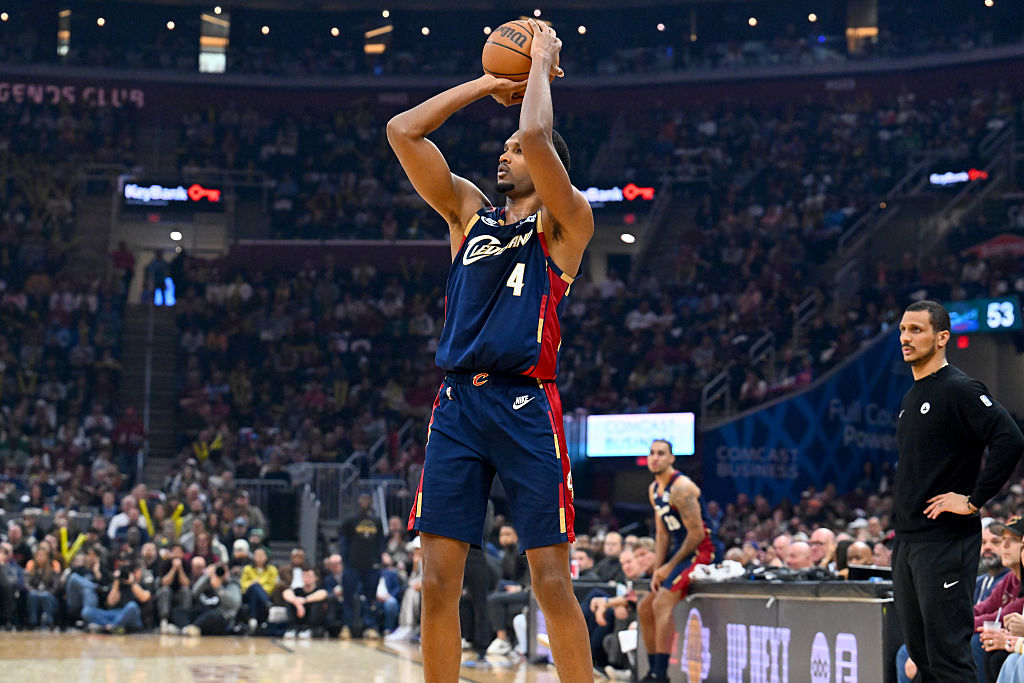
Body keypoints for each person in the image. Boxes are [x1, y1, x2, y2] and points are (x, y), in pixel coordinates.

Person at [387, 18, 593, 683]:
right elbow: (403, 131)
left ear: (544, 166)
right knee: (438, 579)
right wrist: (488, 81)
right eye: (501, 149)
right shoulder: (468, 214)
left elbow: (536, 134)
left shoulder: (567, 223)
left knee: (551, 580)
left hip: (526, 402)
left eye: (510, 150)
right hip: (457, 407)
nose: (502, 155)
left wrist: (538, 64)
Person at [892, 300, 1024, 681]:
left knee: (948, 655)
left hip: (945, 541)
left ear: (942, 337)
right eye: (903, 329)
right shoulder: (911, 396)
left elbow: (1010, 440)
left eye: (917, 330)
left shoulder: (960, 389)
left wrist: (972, 500)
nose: (906, 337)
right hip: (909, 542)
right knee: (922, 654)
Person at [637, 439, 714, 682]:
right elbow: (662, 534)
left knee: (660, 604)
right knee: (644, 607)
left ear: (672, 458)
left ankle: (661, 675)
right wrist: (659, 568)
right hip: (680, 552)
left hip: (703, 550)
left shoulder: (682, 487)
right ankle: (651, 671)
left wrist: (670, 565)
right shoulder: (654, 489)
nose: (655, 457)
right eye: (651, 453)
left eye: (661, 453)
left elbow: (698, 534)